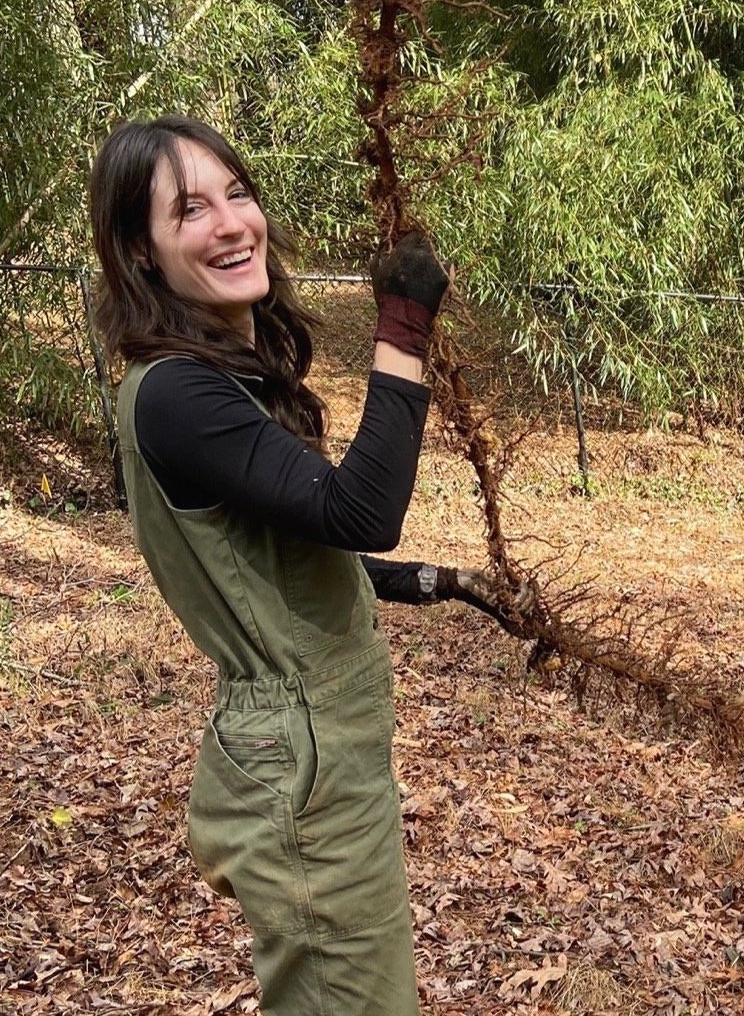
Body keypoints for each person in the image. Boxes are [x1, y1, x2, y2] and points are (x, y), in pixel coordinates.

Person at [88, 116, 526, 1016]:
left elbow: (288, 558)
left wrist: (437, 583)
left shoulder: (214, 376)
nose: (232, 223)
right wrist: (403, 322)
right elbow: (358, 508)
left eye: (237, 193)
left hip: (311, 753)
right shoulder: (175, 392)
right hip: (300, 762)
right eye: (192, 210)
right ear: (142, 252)